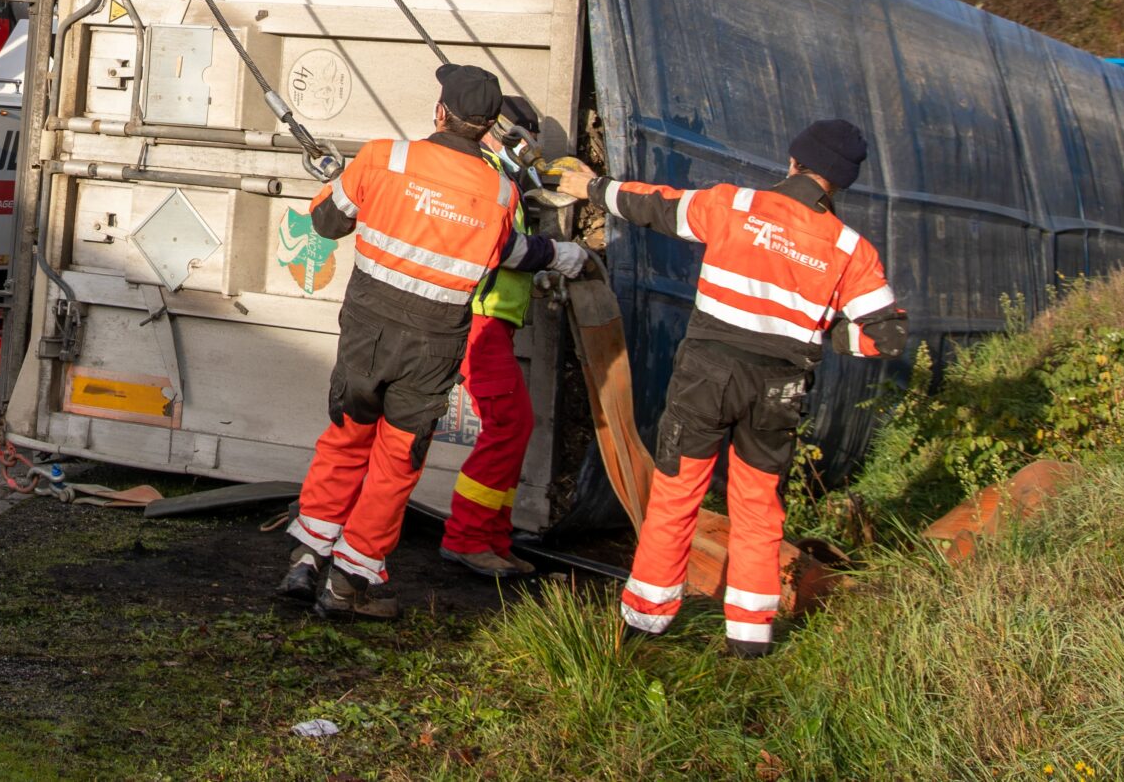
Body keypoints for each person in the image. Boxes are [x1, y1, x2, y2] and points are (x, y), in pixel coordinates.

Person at [557, 119, 906, 656]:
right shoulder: (849, 249)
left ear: (794, 162)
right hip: (780, 388)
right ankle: (749, 641)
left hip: (708, 377)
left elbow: (654, 206)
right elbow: (887, 336)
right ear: (840, 183)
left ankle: (643, 627)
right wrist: (824, 336)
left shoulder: (735, 205)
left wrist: (590, 187)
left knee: (676, 494)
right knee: (759, 507)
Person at [278, 65, 593, 620]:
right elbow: (508, 255)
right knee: (398, 461)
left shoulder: (381, 158)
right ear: (488, 127)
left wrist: (337, 181)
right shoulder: (499, 193)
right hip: (433, 344)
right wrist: (562, 255)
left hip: (367, 336)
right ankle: (349, 583)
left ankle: (307, 559)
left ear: (440, 113)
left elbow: (327, 224)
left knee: (346, 438)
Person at [437, 94, 551, 580]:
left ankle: (492, 538)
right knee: (510, 425)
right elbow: (492, 244)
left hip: (493, 321)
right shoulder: (482, 175)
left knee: (512, 427)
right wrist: (552, 256)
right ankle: (466, 538)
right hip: (477, 320)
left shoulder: (504, 179)